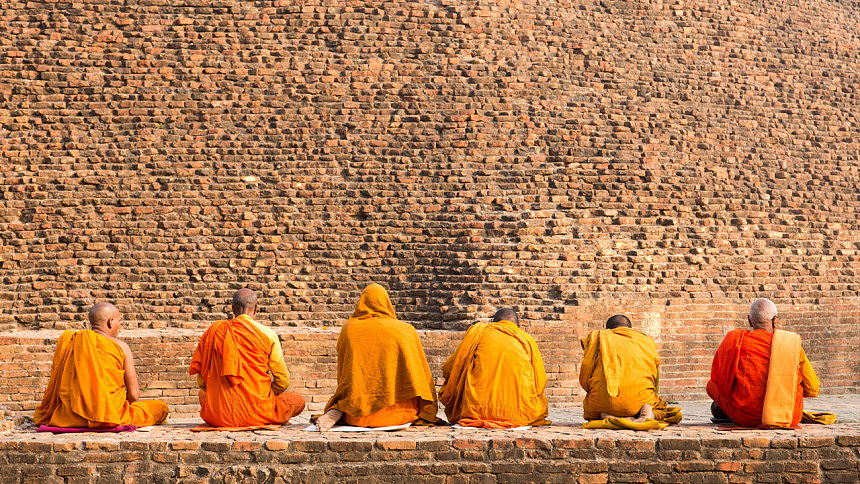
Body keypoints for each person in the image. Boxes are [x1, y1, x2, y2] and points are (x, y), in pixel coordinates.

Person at [315, 283, 440, 431]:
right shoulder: (406, 331)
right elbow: (422, 378)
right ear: (387, 303)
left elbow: (345, 375)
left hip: (357, 416)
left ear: (362, 303)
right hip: (401, 415)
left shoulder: (349, 329)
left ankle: (341, 409)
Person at [34, 303, 169, 428]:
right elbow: (134, 395)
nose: (119, 325)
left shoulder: (72, 342)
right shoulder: (121, 346)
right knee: (160, 407)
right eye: (119, 321)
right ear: (110, 322)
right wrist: (109, 406)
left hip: (68, 417)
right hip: (109, 416)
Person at [190, 289, 305, 427]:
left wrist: (220, 394)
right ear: (256, 309)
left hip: (219, 415)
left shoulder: (213, 332)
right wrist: (263, 395)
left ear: (233, 309)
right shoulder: (268, 334)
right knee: (298, 400)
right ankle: (271, 415)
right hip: (259, 411)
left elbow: (202, 381)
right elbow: (283, 380)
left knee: (202, 394)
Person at [707, 298, 830, 428]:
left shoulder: (737, 341)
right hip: (789, 417)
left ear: (749, 320)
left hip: (747, 417)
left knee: (711, 386)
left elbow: (721, 382)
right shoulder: (791, 344)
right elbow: (812, 390)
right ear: (775, 321)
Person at [439, 308, 550, 428]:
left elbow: (449, 368)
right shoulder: (527, 340)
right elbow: (540, 382)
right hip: (520, 413)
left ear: (493, 322)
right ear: (517, 325)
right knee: (541, 401)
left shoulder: (480, 333)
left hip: (475, 410)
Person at [579, 314, 681, 430]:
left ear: (608, 329)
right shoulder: (645, 341)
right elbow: (655, 377)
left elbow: (585, 376)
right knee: (661, 407)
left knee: (590, 410)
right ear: (630, 329)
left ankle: (607, 415)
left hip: (604, 403)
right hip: (639, 401)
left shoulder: (599, 338)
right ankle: (648, 413)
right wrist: (649, 396)